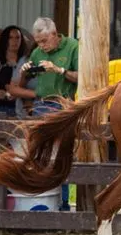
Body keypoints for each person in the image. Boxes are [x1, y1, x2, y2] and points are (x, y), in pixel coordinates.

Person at [19, 17, 79, 211]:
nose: (41, 46)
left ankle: (62, 202)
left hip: (63, 105)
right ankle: (42, 199)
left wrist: (59, 70)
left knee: (60, 154)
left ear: (54, 34)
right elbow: (26, 80)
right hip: (41, 105)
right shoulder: (37, 53)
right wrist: (26, 70)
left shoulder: (72, 47)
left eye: (44, 41)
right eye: (38, 42)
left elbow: (81, 75)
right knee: (40, 154)